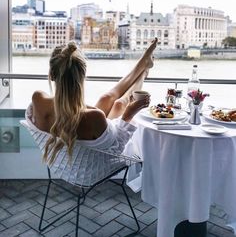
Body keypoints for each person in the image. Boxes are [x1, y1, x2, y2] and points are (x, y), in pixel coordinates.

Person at [27, 38, 157, 185]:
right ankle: (144, 71)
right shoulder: (95, 117)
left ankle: (143, 64)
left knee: (106, 98)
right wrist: (129, 114)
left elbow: (67, 109)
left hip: (65, 162)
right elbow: (117, 146)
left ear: (51, 75)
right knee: (120, 105)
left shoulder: (38, 98)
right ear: (82, 78)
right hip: (90, 169)